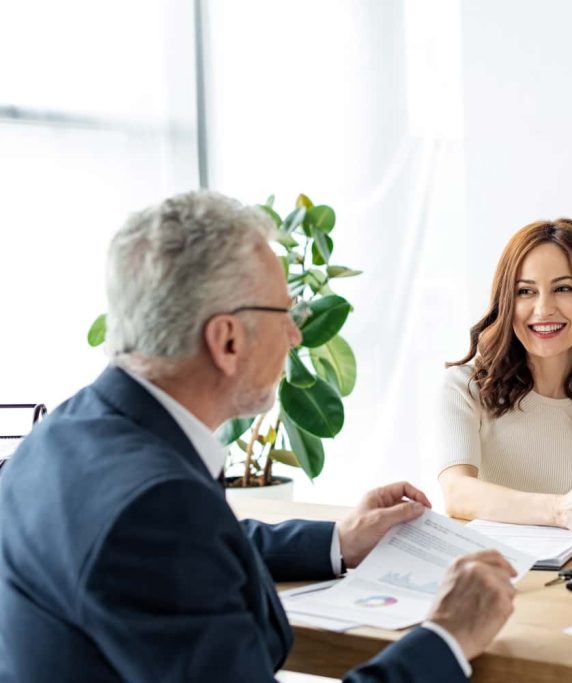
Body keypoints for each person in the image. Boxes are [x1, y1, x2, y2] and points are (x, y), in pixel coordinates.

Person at [0, 191, 516, 682]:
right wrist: (446, 636)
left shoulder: (65, 432)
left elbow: (186, 556)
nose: (296, 335)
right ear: (226, 339)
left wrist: (340, 541)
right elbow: (168, 541)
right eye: (285, 313)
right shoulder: (155, 505)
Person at [437, 218, 572, 536]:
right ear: (507, 301)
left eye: (563, 288)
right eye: (525, 291)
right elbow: (457, 493)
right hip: (483, 580)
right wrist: (561, 511)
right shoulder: (464, 389)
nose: (543, 308)